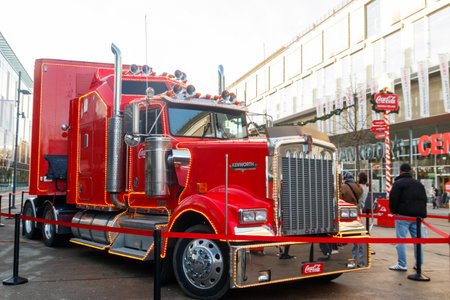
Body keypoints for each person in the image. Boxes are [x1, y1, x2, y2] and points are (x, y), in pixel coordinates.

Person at [389, 163, 427, 271]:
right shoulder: (418, 183)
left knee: (401, 239)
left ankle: (402, 264)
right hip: (417, 217)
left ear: (400, 171)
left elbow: (393, 199)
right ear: (410, 171)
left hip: (403, 215)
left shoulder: (398, 183)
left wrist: (394, 211)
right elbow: (424, 199)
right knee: (417, 240)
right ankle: (418, 264)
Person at [341, 171, 363, 267]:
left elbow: (340, 198)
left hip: (346, 211)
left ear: (344, 178)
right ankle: (359, 258)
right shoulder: (358, 186)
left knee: (347, 233)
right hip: (356, 210)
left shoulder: (343, 187)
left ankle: (351, 256)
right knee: (357, 234)